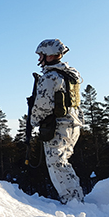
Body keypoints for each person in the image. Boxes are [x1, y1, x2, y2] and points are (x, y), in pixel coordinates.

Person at [30, 39, 84, 204]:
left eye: (41, 55)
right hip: (73, 125)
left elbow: (43, 105)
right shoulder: (70, 74)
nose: (39, 59)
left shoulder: (50, 77)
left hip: (59, 126)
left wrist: (33, 121)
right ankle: (76, 199)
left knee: (57, 163)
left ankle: (72, 201)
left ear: (49, 55)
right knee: (63, 161)